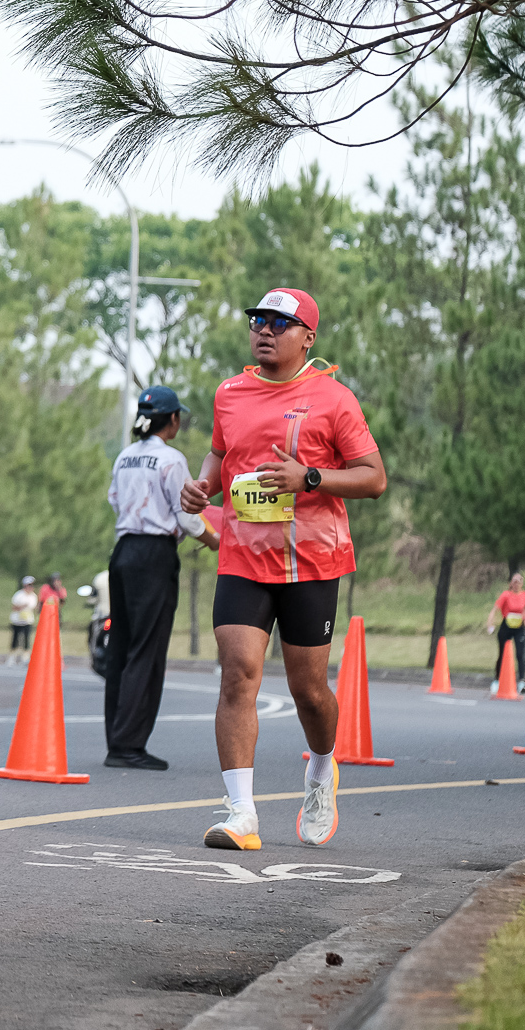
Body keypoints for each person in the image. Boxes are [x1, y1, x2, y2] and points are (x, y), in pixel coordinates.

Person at [180, 288, 386, 851]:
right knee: (238, 673)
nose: (264, 330)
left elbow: (373, 477)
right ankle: (240, 813)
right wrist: (203, 486)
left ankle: (321, 767)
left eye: (279, 323)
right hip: (243, 556)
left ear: (307, 337)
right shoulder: (230, 393)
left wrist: (309, 478)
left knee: (308, 691)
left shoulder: (334, 399)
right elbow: (220, 455)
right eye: (258, 321)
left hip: (311, 561)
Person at [102, 385, 221, 771]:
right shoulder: (171, 459)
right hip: (154, 555)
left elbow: (115, 500)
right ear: (172, 419)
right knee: (147, 649)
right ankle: (130, 745)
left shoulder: (125, 456)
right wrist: (215, 540)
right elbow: (187, 515)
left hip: (123, 551)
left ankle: (116, 740)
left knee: (122, 647)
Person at [485, 572, 525, 694]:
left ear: (522, 583)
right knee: (502, 653)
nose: (517, 584)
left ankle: (522, 680)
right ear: (511, 583)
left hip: (519, 627)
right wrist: (490, 623)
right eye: (514, 582)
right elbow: (495, 609)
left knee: (520, 654)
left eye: (519, 581)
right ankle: (497, 680)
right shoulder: (506, 595)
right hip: (507, 626)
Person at [8, 575, 38, 665]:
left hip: (27, 620)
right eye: (29, 585)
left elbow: (34, 607)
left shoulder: (33, 596)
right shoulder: (19, 595)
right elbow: (14, 607)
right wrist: (22, 606)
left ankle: (25, 657)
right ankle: (12, 657)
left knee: (26, 639)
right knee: (15, 639)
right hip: (17, 620)